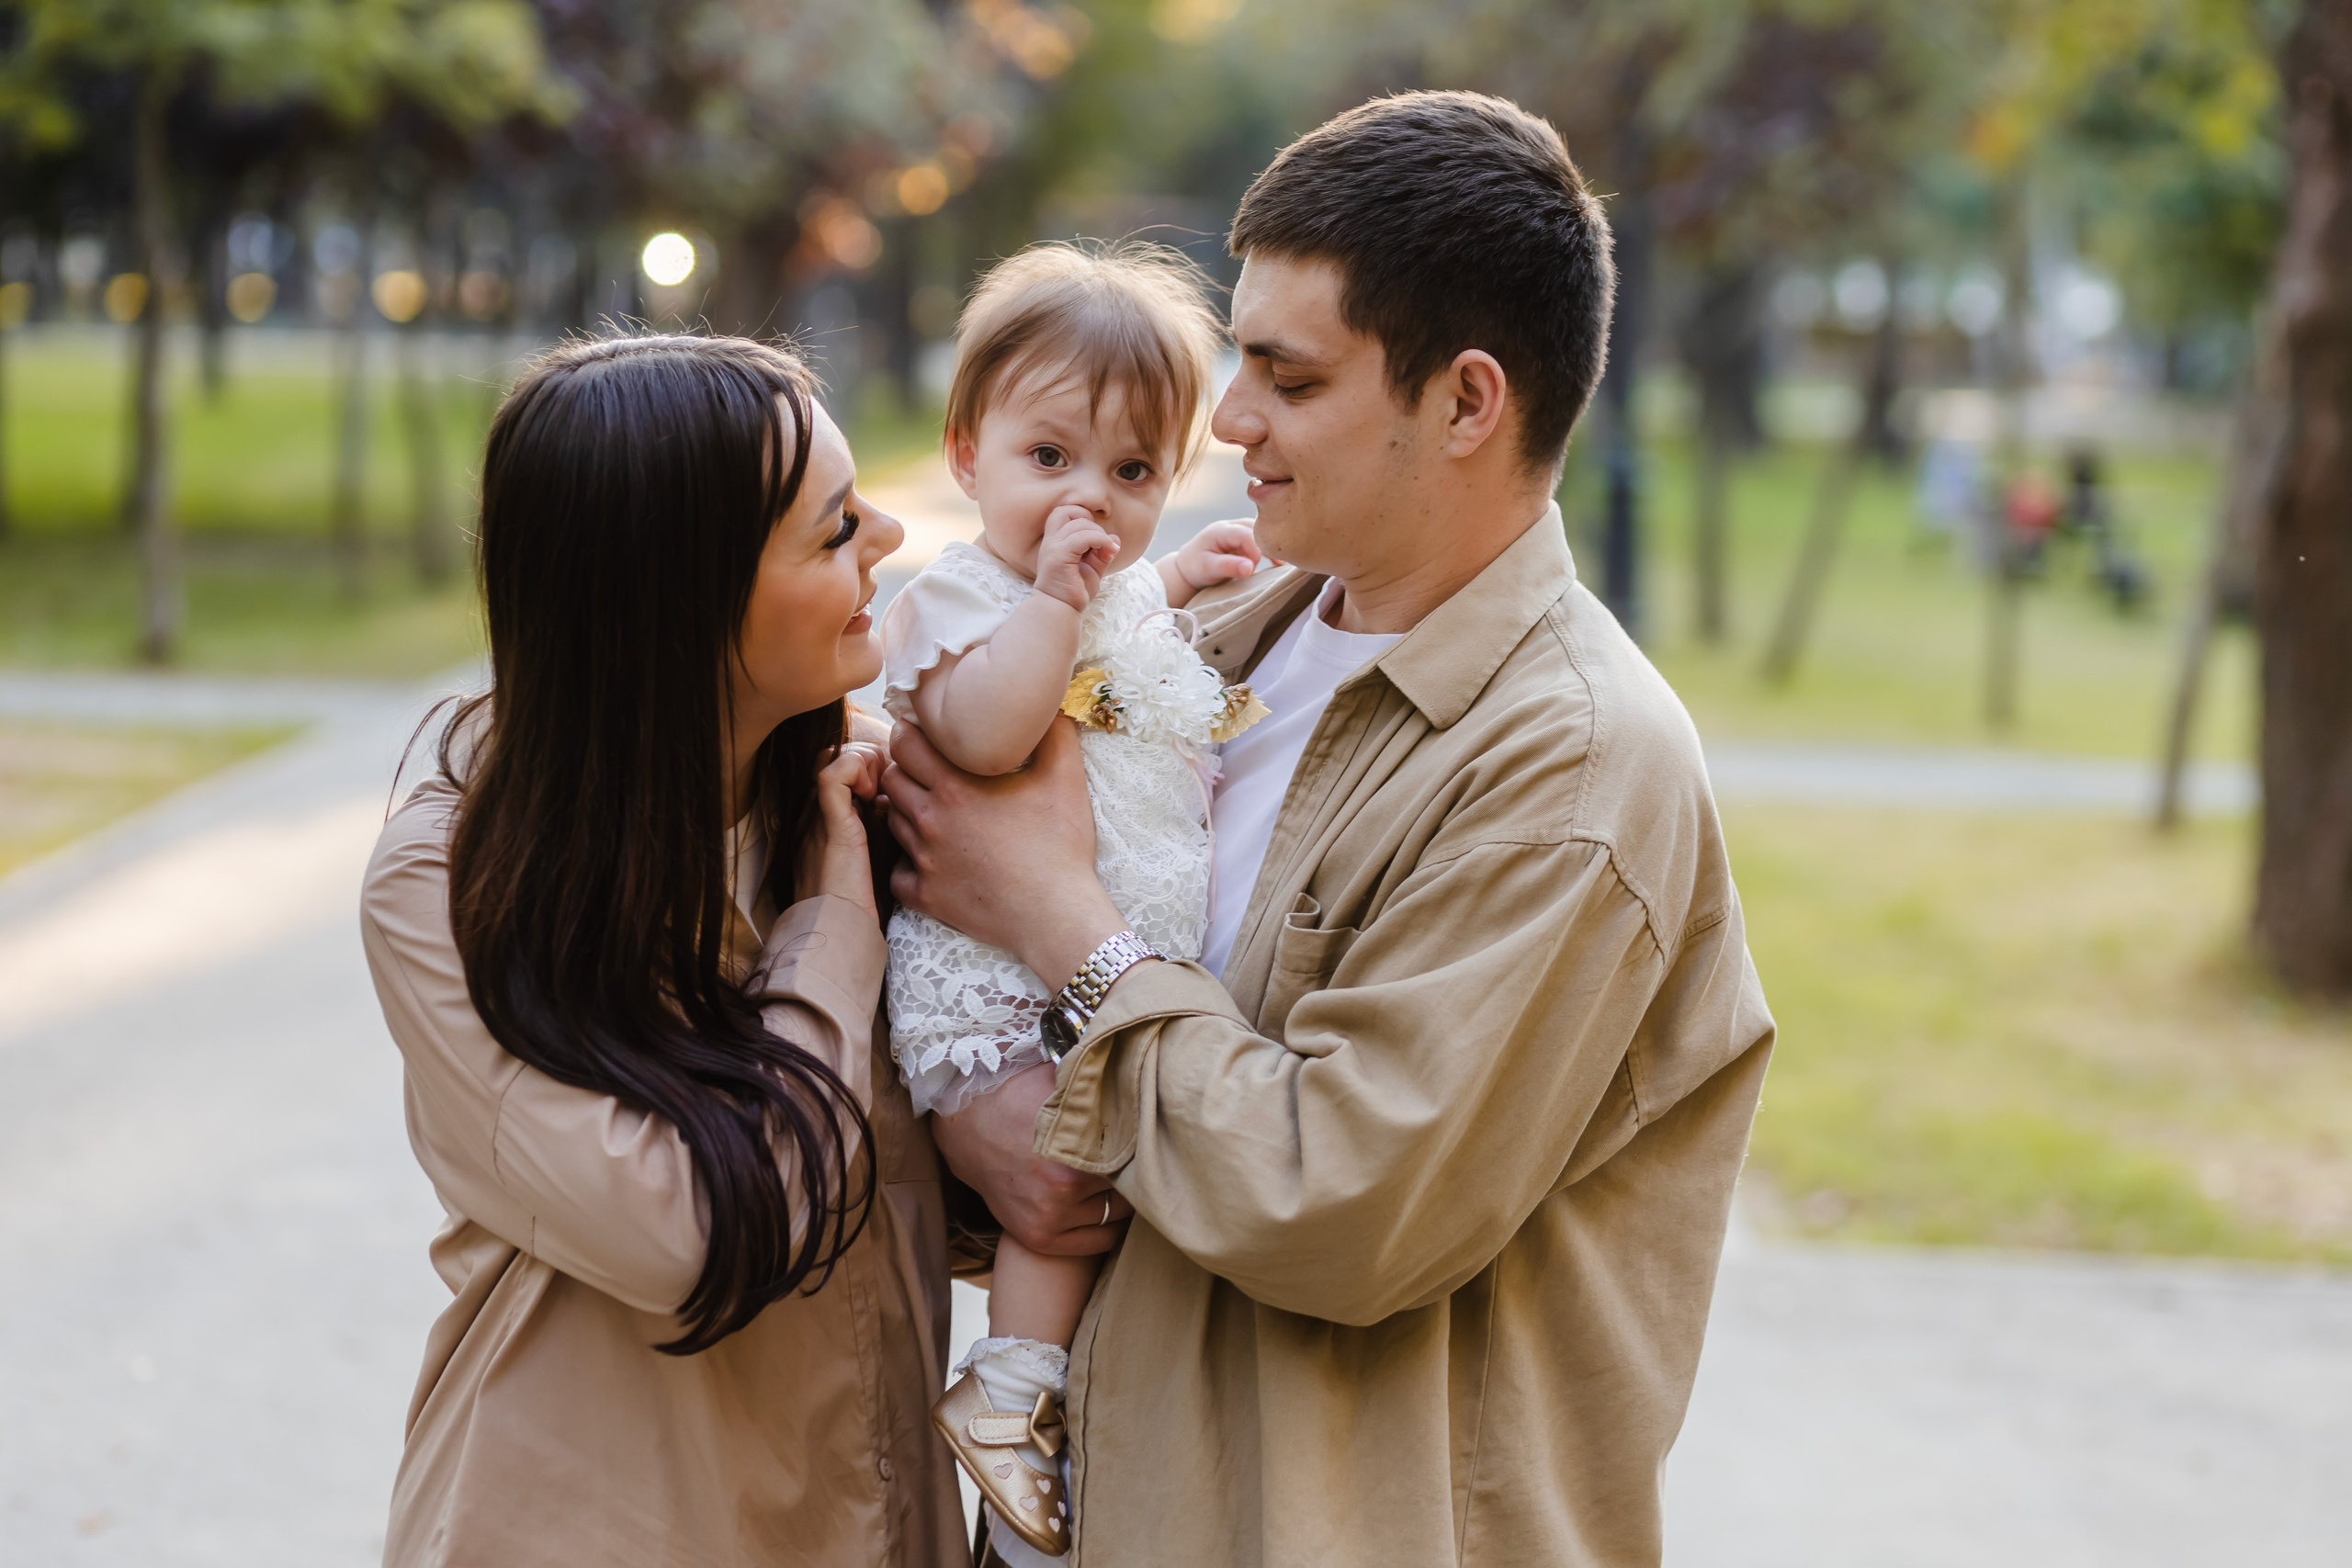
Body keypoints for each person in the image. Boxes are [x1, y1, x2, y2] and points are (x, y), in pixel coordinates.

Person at [888, 92, 1777, 1566]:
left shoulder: (1572, 770)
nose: (1227, 420)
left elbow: (1339, 1205)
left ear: (1468, 404)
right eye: (1240, 358)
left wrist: (1056, 921)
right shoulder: (1209, 641)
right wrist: (978, 1131)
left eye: (1287, 379)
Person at [359, 335, 975, 1566]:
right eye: (835, 530)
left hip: (871, 1519)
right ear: (682, 598)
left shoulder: (866, 800)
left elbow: (970, 1196)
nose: (889, 538)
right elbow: (691, 1239)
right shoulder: (454, 884)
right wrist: (833, 928)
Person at [878, 243, 1264, 1559]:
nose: (1088, 500)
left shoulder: (1100, 590)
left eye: (1134, 472)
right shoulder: (959, 599)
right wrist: (1056, 599)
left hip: (1079, 971)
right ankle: (1012, 1388)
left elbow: (1120, 633)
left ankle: (1035, 1399)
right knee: (1065, 1170)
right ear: (966, 452)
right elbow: (990, 731)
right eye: (1049, 458)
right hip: (993, 988)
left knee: (1095, 1169)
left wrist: (1176, 578)